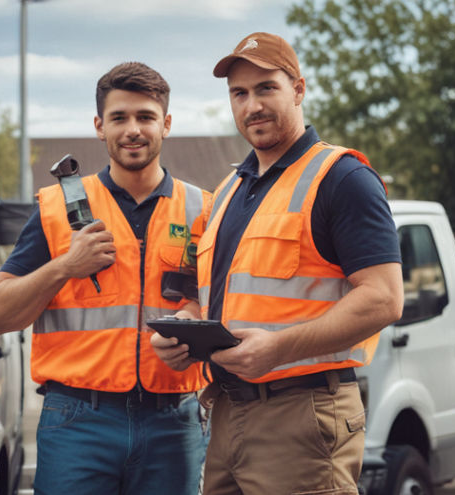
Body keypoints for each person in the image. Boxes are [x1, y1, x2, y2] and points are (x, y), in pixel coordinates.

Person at [151, 32, 404, 494]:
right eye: (239, 93)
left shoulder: (343, 178)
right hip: (226, 412)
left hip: (302, 415)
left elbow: (384, 299)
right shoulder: (229, 191)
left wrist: (277, 348)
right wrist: (187, 329)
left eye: (266, 88)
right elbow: (215, 298)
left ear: (299, 89)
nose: (252, 106)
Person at [0, 62, 211, 495]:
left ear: (166, 124)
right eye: (119, 117)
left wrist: (193, 319)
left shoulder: (204, 210)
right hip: (78, 422)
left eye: (145, 117)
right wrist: (64, 267)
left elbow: (221, 305)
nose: (133, 130)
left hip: (174, 419)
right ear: (98, 126)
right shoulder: (56, 209)